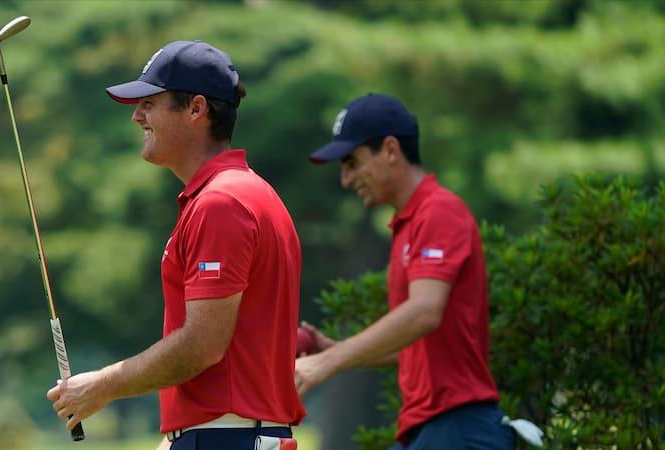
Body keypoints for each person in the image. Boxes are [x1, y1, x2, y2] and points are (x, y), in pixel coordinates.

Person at [46, 40, 305, 450]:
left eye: (149, 103)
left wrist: (102, 386)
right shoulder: (241, 192)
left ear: (196, 109)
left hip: (230, 439)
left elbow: (203, 346)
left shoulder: (222, 201)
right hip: (228, 435)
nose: (137, 116)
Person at [295, 93, 517, 449]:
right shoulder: (408, 224)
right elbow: (417, 343)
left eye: (352, 162)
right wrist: (340, 351)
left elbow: (424, 312)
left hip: (458, 426)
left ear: (391, 150)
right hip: (432, 427)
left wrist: (330, 361)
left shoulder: (438, 211)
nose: (346, 179)